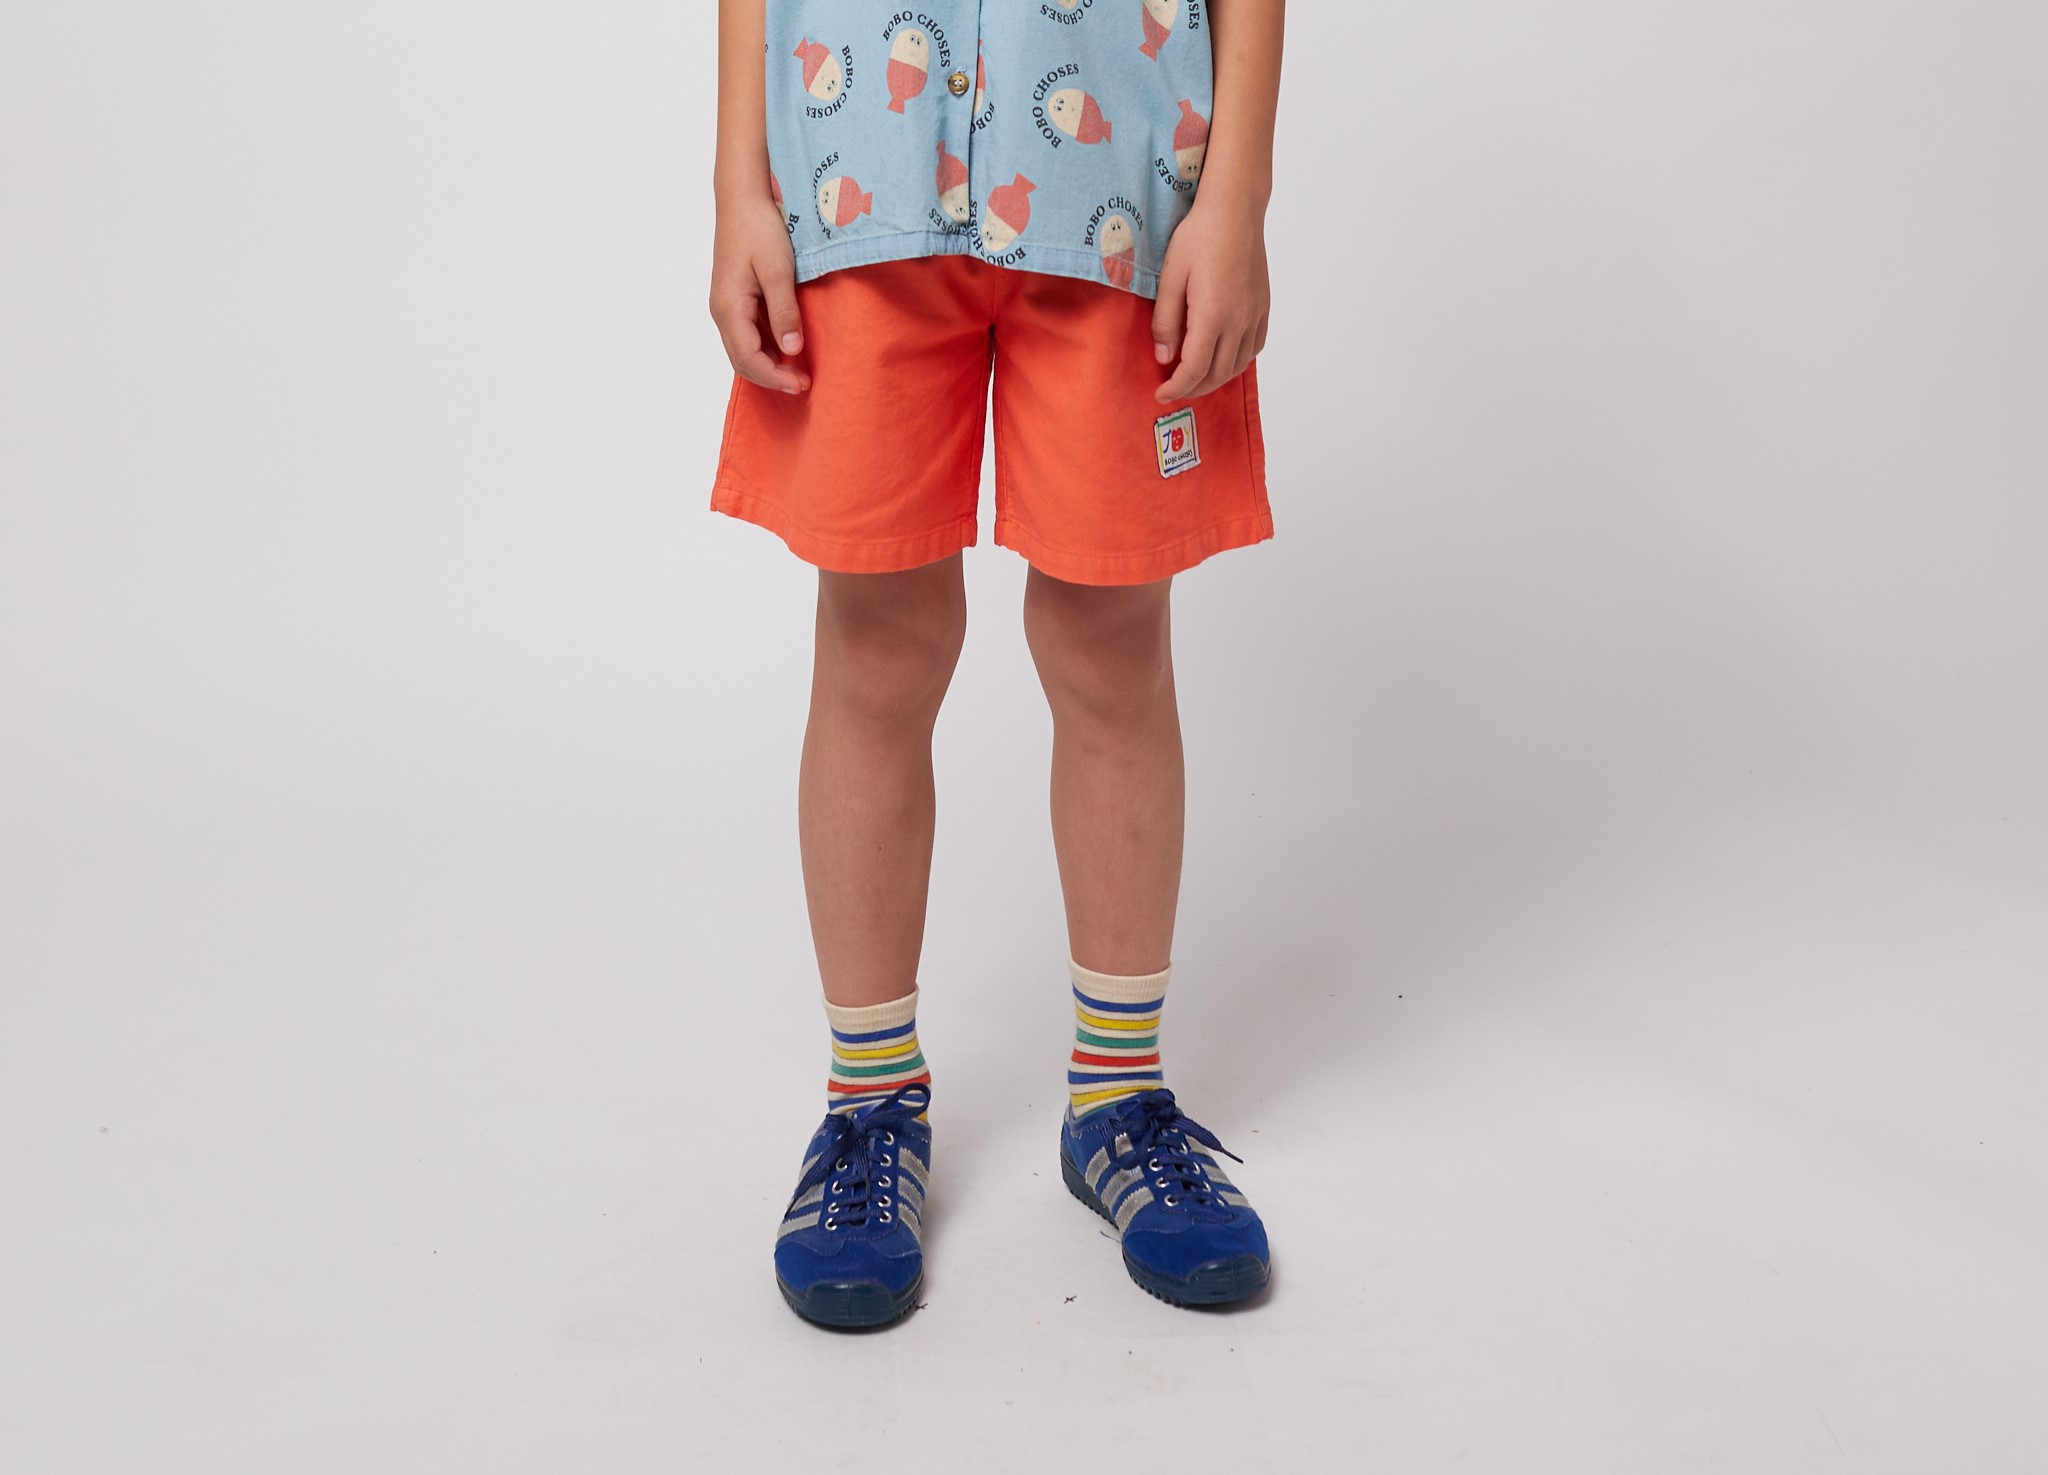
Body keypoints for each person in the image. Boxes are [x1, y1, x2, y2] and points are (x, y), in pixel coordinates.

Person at [708, 0, 1285, 1327]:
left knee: (1110, 639)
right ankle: (869, 1104)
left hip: (1121, 186)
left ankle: (1118, 1095)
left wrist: (1238, 199)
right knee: (877, 642)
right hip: (859, 179)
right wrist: (739, 185)